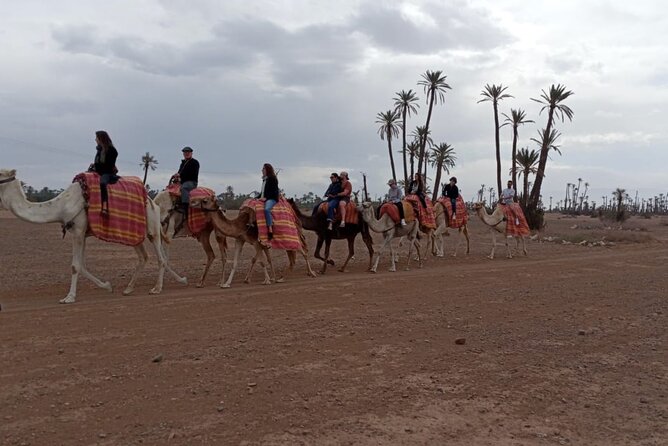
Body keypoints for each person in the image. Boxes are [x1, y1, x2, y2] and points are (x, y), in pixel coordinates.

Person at [90, 130, 118, 216]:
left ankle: (105, 205)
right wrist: (93, 166)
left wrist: (97, 167)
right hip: (99, 172)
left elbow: (109, 166)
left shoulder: (112, 151)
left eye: (97, 138)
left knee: (102, 183)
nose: (95, 140)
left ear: (101, 139)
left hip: (107, 173)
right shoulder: (99, 150)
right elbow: (98, 163)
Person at [174, 146, 200, 213]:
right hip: (182, 182)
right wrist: (176, 176)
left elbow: (192, 173)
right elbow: (180, 172)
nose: (186, 153)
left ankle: (185, 206)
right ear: (183, 154)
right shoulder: (182, 163)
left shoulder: (195, 163)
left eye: (188, 152)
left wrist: (180, 175)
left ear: (191, 153)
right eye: (185, 152)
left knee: (184, 188)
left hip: (191, 182)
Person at [260, 163, 279, 239]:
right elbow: (262, 193)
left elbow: (274, 192)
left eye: (263, 169)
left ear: (267, 170)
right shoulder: (264, 180)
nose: (262, 170)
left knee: (267, 210)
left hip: (271, 199)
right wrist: (256, 198)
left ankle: (270, 229)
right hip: (264, 198)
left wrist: (266, 198)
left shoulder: (273, 179)